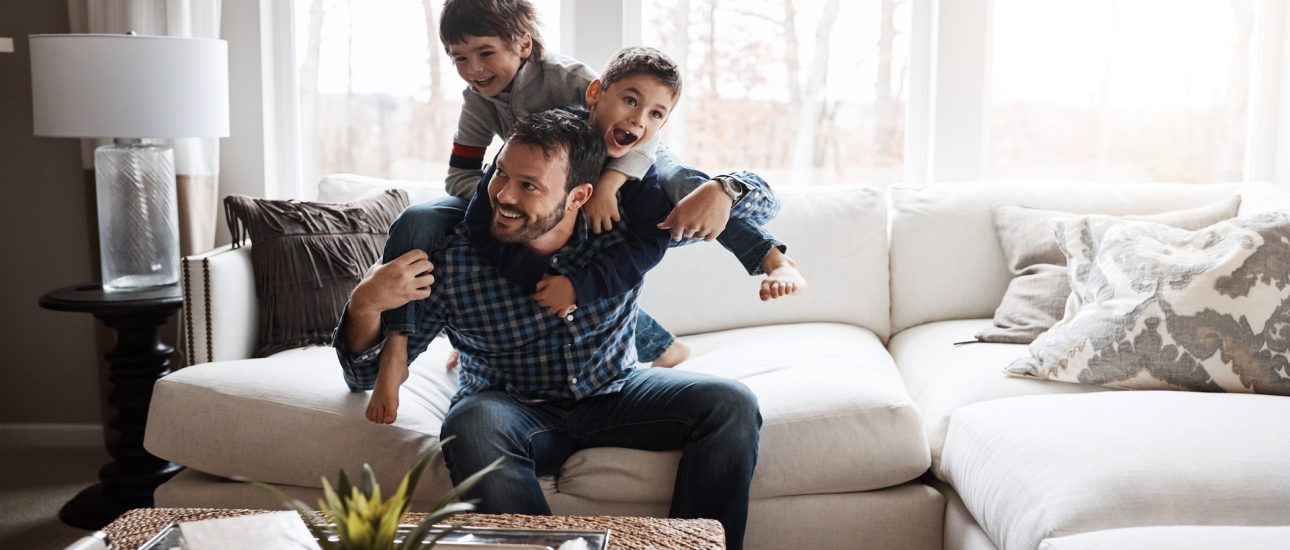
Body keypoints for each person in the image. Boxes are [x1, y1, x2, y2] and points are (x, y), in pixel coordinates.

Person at [334, 110, 762, 550]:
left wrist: (725, 189)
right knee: (471, 423)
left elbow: (763, 207)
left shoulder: (621, 230)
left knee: (731, 403)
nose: (502, 195)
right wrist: (364, 303)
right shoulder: (454, 257)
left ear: (579, 196)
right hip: (510, 407)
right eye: (500, 175)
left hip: (615, 390)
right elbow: (362, 377)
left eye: (529, 185)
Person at [379, 0, 805, 373]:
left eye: (485, 53)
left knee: (683, 186)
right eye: (459, 59)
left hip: (622, 161)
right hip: (553, 202)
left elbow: (636, 125)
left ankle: (769, 257)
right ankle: (661, 346)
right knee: (424, 219)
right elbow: (459, 175)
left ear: (523, 44)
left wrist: (609, 183)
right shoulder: (476, 102)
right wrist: (510, 193)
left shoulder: (570, 79)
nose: (473, 69)